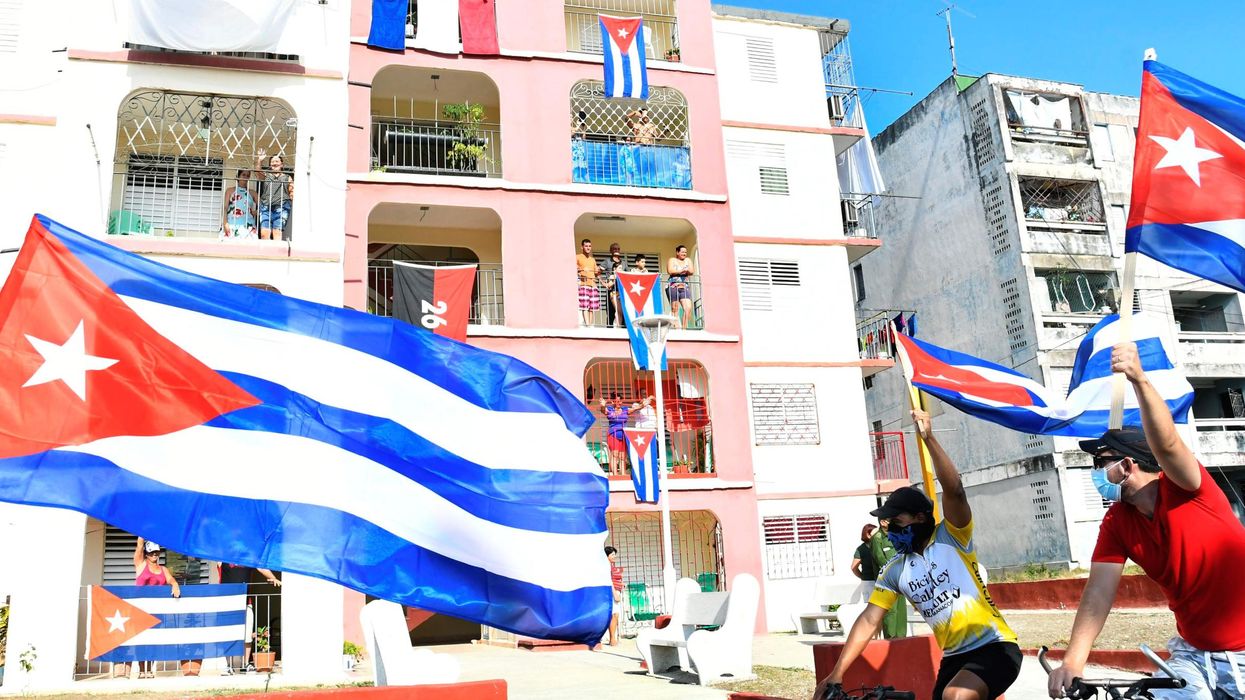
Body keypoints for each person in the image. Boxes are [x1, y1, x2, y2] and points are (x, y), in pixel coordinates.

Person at [1046, 342, 1245, 699]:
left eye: (1102, 461)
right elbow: (1098, 591)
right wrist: (1074, 661)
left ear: (1127, 465)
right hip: (1194, 654)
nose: (1096, 470)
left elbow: (1167, 446)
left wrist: (1138, 378)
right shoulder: (1118, 521)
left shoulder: (1188, 487)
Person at [817, 409, 1021, 700]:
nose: (891, 532)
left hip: (995, 647)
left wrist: (929, 439)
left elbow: (955, 490)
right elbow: (869, 620)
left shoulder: (952, 537)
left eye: (897, 523)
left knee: (956, 696)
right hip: (953, 659)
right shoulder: (895, 570)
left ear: (921, 518)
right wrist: (836, 673)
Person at [117, 538, 181, 679]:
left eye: (157, 553)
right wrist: (143, 529)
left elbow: (170, 580)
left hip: (156, 611)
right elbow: (140, 545)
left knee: (153, 641)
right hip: (139, 610)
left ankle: (150, 669)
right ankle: (141, 670)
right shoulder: (140, 565)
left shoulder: (163, 569)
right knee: (141, 641)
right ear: (146, 554)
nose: (154, 556)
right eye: (152, 553)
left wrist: (175, 584)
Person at [220, 561, 282, 674]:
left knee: (247, 634)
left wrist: (273, 578)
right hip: (227, 602)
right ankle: (229, 666)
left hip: (246, 602)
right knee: (228, 634)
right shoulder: (222, 557)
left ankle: (245, 664)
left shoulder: (247, 557)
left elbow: (261, 567)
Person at [869, 519, 907, 639]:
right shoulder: (877, 539)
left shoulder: (896, 536)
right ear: (883, 522)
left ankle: (901, 638)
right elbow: (881, 560)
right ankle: (890, 639)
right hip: (887, 583)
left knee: (901, 611)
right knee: (891, 612)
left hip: (900, 580)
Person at [599, 393, 639, 476]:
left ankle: (623, 474)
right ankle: (615, 475)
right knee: (615, 454)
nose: (619, 403)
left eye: (620, 401)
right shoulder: (610, 409)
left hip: (624, 435)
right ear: (613, 401)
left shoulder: (625, 409)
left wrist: (643, 405)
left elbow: (635, 409)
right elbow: (603, 411)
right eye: (617, 401)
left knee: (622, 456)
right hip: (613, 434)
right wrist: (603, 405)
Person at [255, 150, 291, 241]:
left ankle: (275, 255)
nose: (275, 163)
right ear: (270, 165)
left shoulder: (287, 177)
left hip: (281, 207)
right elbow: (257, 172)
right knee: (264, 234)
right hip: (266, 207)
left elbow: (292, 191)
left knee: (277, 233)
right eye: (272, 162)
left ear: (281, 164)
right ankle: (265, 254)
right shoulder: (267, 175)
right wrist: (260, 160)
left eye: (277, 161)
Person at [221, 170, 257, 239]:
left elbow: (264, 207)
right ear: (238, 176)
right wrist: (225, 223)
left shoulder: (252, 193)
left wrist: (255, 212)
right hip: (232, 223)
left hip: (248, 225)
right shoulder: (230, 190)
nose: (245, 177)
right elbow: (225, 207)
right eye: (243, 175)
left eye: (247, 176)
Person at [666, 245, 695, 329]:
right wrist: (681, 271)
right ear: (677, 252)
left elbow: (692, 271)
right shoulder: (672, 260)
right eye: (682, 252)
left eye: (685, 252)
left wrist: (687, 271)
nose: (684, 254)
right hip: (673, 285)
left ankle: (684, 330)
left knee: (688, 308)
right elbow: (670, 271)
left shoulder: (688, 260)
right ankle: (677, 329)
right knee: (675, 308)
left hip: (684, 286)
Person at [576, 239, 603, 326]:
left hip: (593, 285)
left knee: (592, 307)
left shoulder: (592, 259)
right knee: (584, 306)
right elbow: (573, 268)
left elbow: (596, 273)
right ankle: (587, 325)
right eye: (586, 246)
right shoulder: (578, 257)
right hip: (584, 284)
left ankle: (590, 325)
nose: (588, 248)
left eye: (589, 246)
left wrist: (600, 272)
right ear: (582, 247)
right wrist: (582, 269)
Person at [604, 243, 626, 328]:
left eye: (618, 249)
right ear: (611, 250)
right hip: (612, 291)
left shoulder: (623, 263)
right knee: (611, 313)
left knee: (622, 312)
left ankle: (622, 328)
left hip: (622, 292)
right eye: (614, 249)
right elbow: (597, 272)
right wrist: (605, 283)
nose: (616, 250)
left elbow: (628, 274)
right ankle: (612, 330)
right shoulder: (607, 261)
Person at [605, 546, 623, 647]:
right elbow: (609, 580)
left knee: (616, 615)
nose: (614, 556)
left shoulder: (611, 565)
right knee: (614, 615)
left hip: (616, 590)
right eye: (612, 554)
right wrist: (615, 594)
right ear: (607, 556)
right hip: (612, 593)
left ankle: (613, 638)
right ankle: (612, 639)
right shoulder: (606, 566)